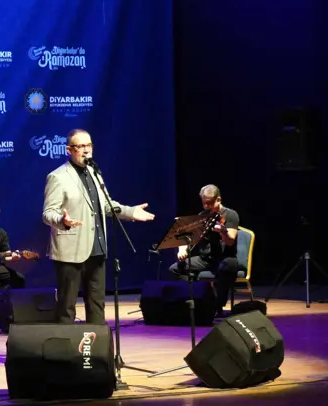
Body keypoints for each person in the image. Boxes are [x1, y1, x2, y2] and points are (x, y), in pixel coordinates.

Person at [42, 129, 155, 325]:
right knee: (67, 307)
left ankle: (96, 344)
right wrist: (62, 220)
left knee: (97, 305)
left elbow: (106, 205)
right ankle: (65, 344)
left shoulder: (94, 172)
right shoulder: (58, 177)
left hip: (97, 248)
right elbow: (48, 213)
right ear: (69, 150)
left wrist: (130, 212)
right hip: (70, 251)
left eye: (89, 145)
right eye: (80, 146)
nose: (86, 150)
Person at [169, 184, 241, 315]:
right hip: (205, 258)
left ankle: (216, 306)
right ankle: (198, 299)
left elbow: (230, 241)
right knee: (175, 269)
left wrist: (223, 231)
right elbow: (187, 235)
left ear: (218, 200)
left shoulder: (231, 215)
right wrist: (182, 249)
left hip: (225, 257)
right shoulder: (202, 215)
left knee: (228, 266)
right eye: (204, 203)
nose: (206, 206)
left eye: (209, 203)